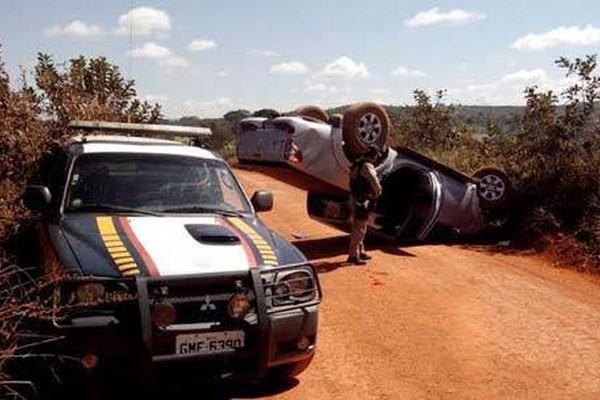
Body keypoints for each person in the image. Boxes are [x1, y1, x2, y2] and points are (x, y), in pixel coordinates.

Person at [347, 145, 382, 265]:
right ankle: (353, 255)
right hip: (362, 200)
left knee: (360, 227)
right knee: (359, 228)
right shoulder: (367, 166)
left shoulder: (356, 164)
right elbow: (374, 182)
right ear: (373, 155)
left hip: (354, 198)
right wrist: (377, 193)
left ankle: (360, 251)